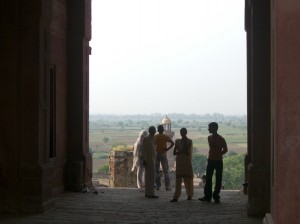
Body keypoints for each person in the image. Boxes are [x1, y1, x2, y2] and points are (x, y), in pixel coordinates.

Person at [198, 122, 228, 203]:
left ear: (214, 128)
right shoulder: (211, 138)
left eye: (210, 128)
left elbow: (225, 150)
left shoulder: (218, 139)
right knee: (210, 178)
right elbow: (224, 150)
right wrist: (218, 153)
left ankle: (212, 196)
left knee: (216, 179)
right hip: (213, 160)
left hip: (216, 160)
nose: (208, 129)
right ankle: (211, 196)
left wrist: (218, 154)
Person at [170, 128, 194, 202]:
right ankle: (176, 196)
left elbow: (189, 153)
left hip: (186, 161)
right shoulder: (177, 142)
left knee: (188, 179)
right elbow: (174, 152)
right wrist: (182, 152)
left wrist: (182, 151)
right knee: (178, 180)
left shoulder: (189, 142)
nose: (182, 133)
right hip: (180, 161)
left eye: (183, 132)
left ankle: (189, 195)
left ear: (186, 132)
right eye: (181, 132)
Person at [154, 124, 174, 191]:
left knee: (156, 171)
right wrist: (167, 149)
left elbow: (152, 144)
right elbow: (172, 143)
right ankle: (167, 186)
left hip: (157, 153)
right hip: (163, 153)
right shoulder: (165, 136)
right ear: (163, 130)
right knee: (165, 170)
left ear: (157, 130)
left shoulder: (155, 136)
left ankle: (157, 186)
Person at [142, 126, 159, 198]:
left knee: (151, 177)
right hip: (148, 160)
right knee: (149, 177)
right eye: (154, 130)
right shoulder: (146, 139)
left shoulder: (153, 139)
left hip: (152, 160)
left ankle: (149, 193)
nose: (155, 132)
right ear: (150, 131)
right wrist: (144, 159)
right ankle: (150, 193)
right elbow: (144, 151)